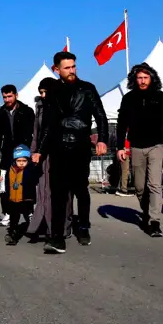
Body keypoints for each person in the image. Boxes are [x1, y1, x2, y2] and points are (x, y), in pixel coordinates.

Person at [34, 51, 109, 254]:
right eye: (67, 68)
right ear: (56, 70)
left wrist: (102, 139)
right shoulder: (53, 92)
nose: (71, 71)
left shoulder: (87, 88)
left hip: (80, 147)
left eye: (73, 66)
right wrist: (40, 151)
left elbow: (101, 116)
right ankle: (57, 237)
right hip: (58, 149)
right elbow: (48, 125)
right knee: (58, 194)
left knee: (80, 190)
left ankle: (83, 227)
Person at [115, 62, 163, 238]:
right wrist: (120, 147)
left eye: (145, 77)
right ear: (134, 79)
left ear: (152, 78)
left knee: (154, 184)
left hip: (156, 145)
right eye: (139, 78)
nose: (142, 81)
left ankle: (155, 221)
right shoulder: (128, 98)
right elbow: (121, 124)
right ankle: (147, 212)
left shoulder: (161, 97)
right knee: (140, 187)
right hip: (136, 146)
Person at [26, 77, 73, 239]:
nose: (43, 95)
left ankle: (64, 226)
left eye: (45, 92)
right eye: (41, 92)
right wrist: (33, 152)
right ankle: (45, 225)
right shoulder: (39, 106)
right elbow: (37, 132)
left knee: (61, 192)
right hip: (42, 155)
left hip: (60, 153)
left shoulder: (62, 105)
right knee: (43, 190)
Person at [0, 84, 35, 228]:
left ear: (16, 95)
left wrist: (33, 152)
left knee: (26, 184)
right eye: (4, 97)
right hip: (6, 155)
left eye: (9, 96)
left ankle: (29, 212)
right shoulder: (1, 112)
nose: (7, 100)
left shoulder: (27, 111)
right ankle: (8, 213)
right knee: (4, 185)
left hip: (24, 154)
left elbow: (34, 133)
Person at [4, 145, 36, 245]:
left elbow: (34, 182)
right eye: (19, 161)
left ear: (28, 160)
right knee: (14, 218)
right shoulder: (10, 170)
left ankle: (34, 232)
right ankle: (12, 235)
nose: (21, 163)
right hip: (13, 199)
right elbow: (7, 183)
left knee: (29, 216)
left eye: (24, 161)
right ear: (15, 161)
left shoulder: (30, 170)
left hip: (26, 199)